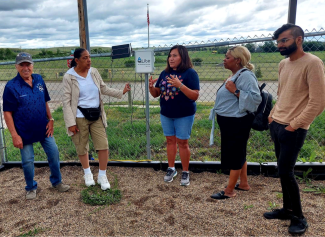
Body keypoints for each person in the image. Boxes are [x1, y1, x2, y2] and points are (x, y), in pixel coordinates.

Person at [263, 24, 325, 235]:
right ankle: (287, 209)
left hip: (293, 128)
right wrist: (272, 115)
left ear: (299, 40)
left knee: (286, 172)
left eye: (285, 40)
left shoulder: (313, 63)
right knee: (282, 171)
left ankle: (299, 217)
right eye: (278, 42)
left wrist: (294, 125)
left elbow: (317, 103)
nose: (280, 45)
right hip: (277, 123)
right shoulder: (283, 64)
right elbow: (282, 93)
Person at [2, 52, 70, 200]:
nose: (25, 68)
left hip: (43, 127)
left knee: (53, 154)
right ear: (16, 67)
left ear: (32, 65)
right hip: (24, 132)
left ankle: (57, 182)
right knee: (27, 161)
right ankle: (31, 187)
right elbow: (7, 113)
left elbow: (45, 100)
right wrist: (14, 135)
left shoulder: (39, 79)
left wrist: (50, 118)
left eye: (28, 64)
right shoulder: (11, 86)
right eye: (22, 65)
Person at [62, 48, 130, 190]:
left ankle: (102, 175)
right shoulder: (69, 77)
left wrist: (121, 92)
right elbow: (66, 102)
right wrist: (71, 123)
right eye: (85, 58)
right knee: (82, 146)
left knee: (103, 145)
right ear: (77, 60)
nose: (89, 60)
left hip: (96, 115)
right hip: (79, 117)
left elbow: (103, 88)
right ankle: (87, 173)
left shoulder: (94, 72)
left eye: (89, 57)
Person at [209, 46, 261, 199]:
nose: (224, 60)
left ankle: (229, 191)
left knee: (235, 154)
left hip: (237, 122)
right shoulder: (236, 75)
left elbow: (255, 99)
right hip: (229, 120)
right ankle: (243, 183)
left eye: (227, 57)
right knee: (239, 152)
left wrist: (235, 91)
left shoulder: (246, 76)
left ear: (238, 60)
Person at [149, 45, 200, 186]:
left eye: (175, 55)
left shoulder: (190, 73)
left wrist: (180, 85)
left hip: (184, 114)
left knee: (183, 143)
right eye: (170, 55)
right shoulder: (165, 73)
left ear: (182, 57)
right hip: (166, 114)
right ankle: (171, 168)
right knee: (170, 141)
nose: (171, 58)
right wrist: (151, 88)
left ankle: (185, 171)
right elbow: (156, 94)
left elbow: (195, 95)